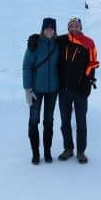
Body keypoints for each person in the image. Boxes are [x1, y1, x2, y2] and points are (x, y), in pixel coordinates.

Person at [56, 17, 99, 164]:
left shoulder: (89, 42)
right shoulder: (62, 40)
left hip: (81, 89)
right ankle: (68, 149)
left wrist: (87, 81)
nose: (74, 28)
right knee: (65, 121)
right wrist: (35, 39)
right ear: (68, 27)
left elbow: (92, 63)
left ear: (80, 27)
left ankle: (81, 151)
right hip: (64, 89)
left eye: (77, 26)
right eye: (71, 26)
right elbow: (47, 41)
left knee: (81, 122)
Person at [23, 17, 60, 165]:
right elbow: (27, 66)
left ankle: (47, 151)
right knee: (34, 120)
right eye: (47, 28)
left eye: (52, 29)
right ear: (43, 29)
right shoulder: (35, 44)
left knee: (49, 121)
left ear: (55, 30)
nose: (49, 31)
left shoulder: (58, 44)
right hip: (36, 90)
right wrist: (27, 88)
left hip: (53, 90)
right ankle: (35, 153)